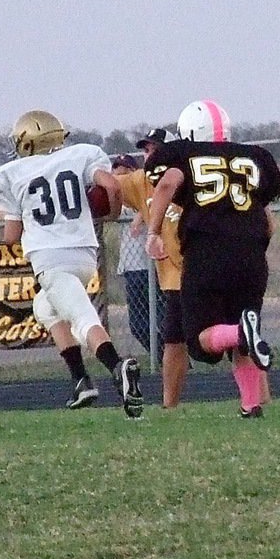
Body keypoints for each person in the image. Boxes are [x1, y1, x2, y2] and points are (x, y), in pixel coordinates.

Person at [0, 109, 143, 417]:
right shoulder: (82, 155)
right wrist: (108, 215)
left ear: (26, 142)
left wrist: (16, 218)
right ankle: (81, 381)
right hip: (84, 254)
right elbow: (112, 187)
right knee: (44, 308)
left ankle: (117, 366)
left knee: (83, 320)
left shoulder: (12, 174)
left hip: (50, 260)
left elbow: (11, 238)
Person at [144, 100, 280, 418]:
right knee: (244, 336)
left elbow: (167, 183)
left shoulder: (182, 155)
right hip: (251, 255)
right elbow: (268, 221)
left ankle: (239, 333)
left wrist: (153, 233)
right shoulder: (255, 157)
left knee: (198, 341)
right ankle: (250, 404)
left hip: (206, 251)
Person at [113, 129, 191, 409]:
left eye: (155, 150)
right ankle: (169, 407)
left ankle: (258, 399)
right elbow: (110, 187)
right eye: (146, 151)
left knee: (227, 341)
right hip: (173, 279)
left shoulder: (189, 175)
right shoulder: (141, 182)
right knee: (174, 340)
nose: (149, 156)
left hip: (204, 269)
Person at [110, 152, 167, 362]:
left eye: (125, 174)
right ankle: (163, 359)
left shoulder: (145, 197)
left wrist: (140, 216)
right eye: (116, 175)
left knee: (163, 319)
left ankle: (175, 359)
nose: (120, 180)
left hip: (150, 266)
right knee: (138, 325)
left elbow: (150, 203)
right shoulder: (120, 201)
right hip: (131, 268)